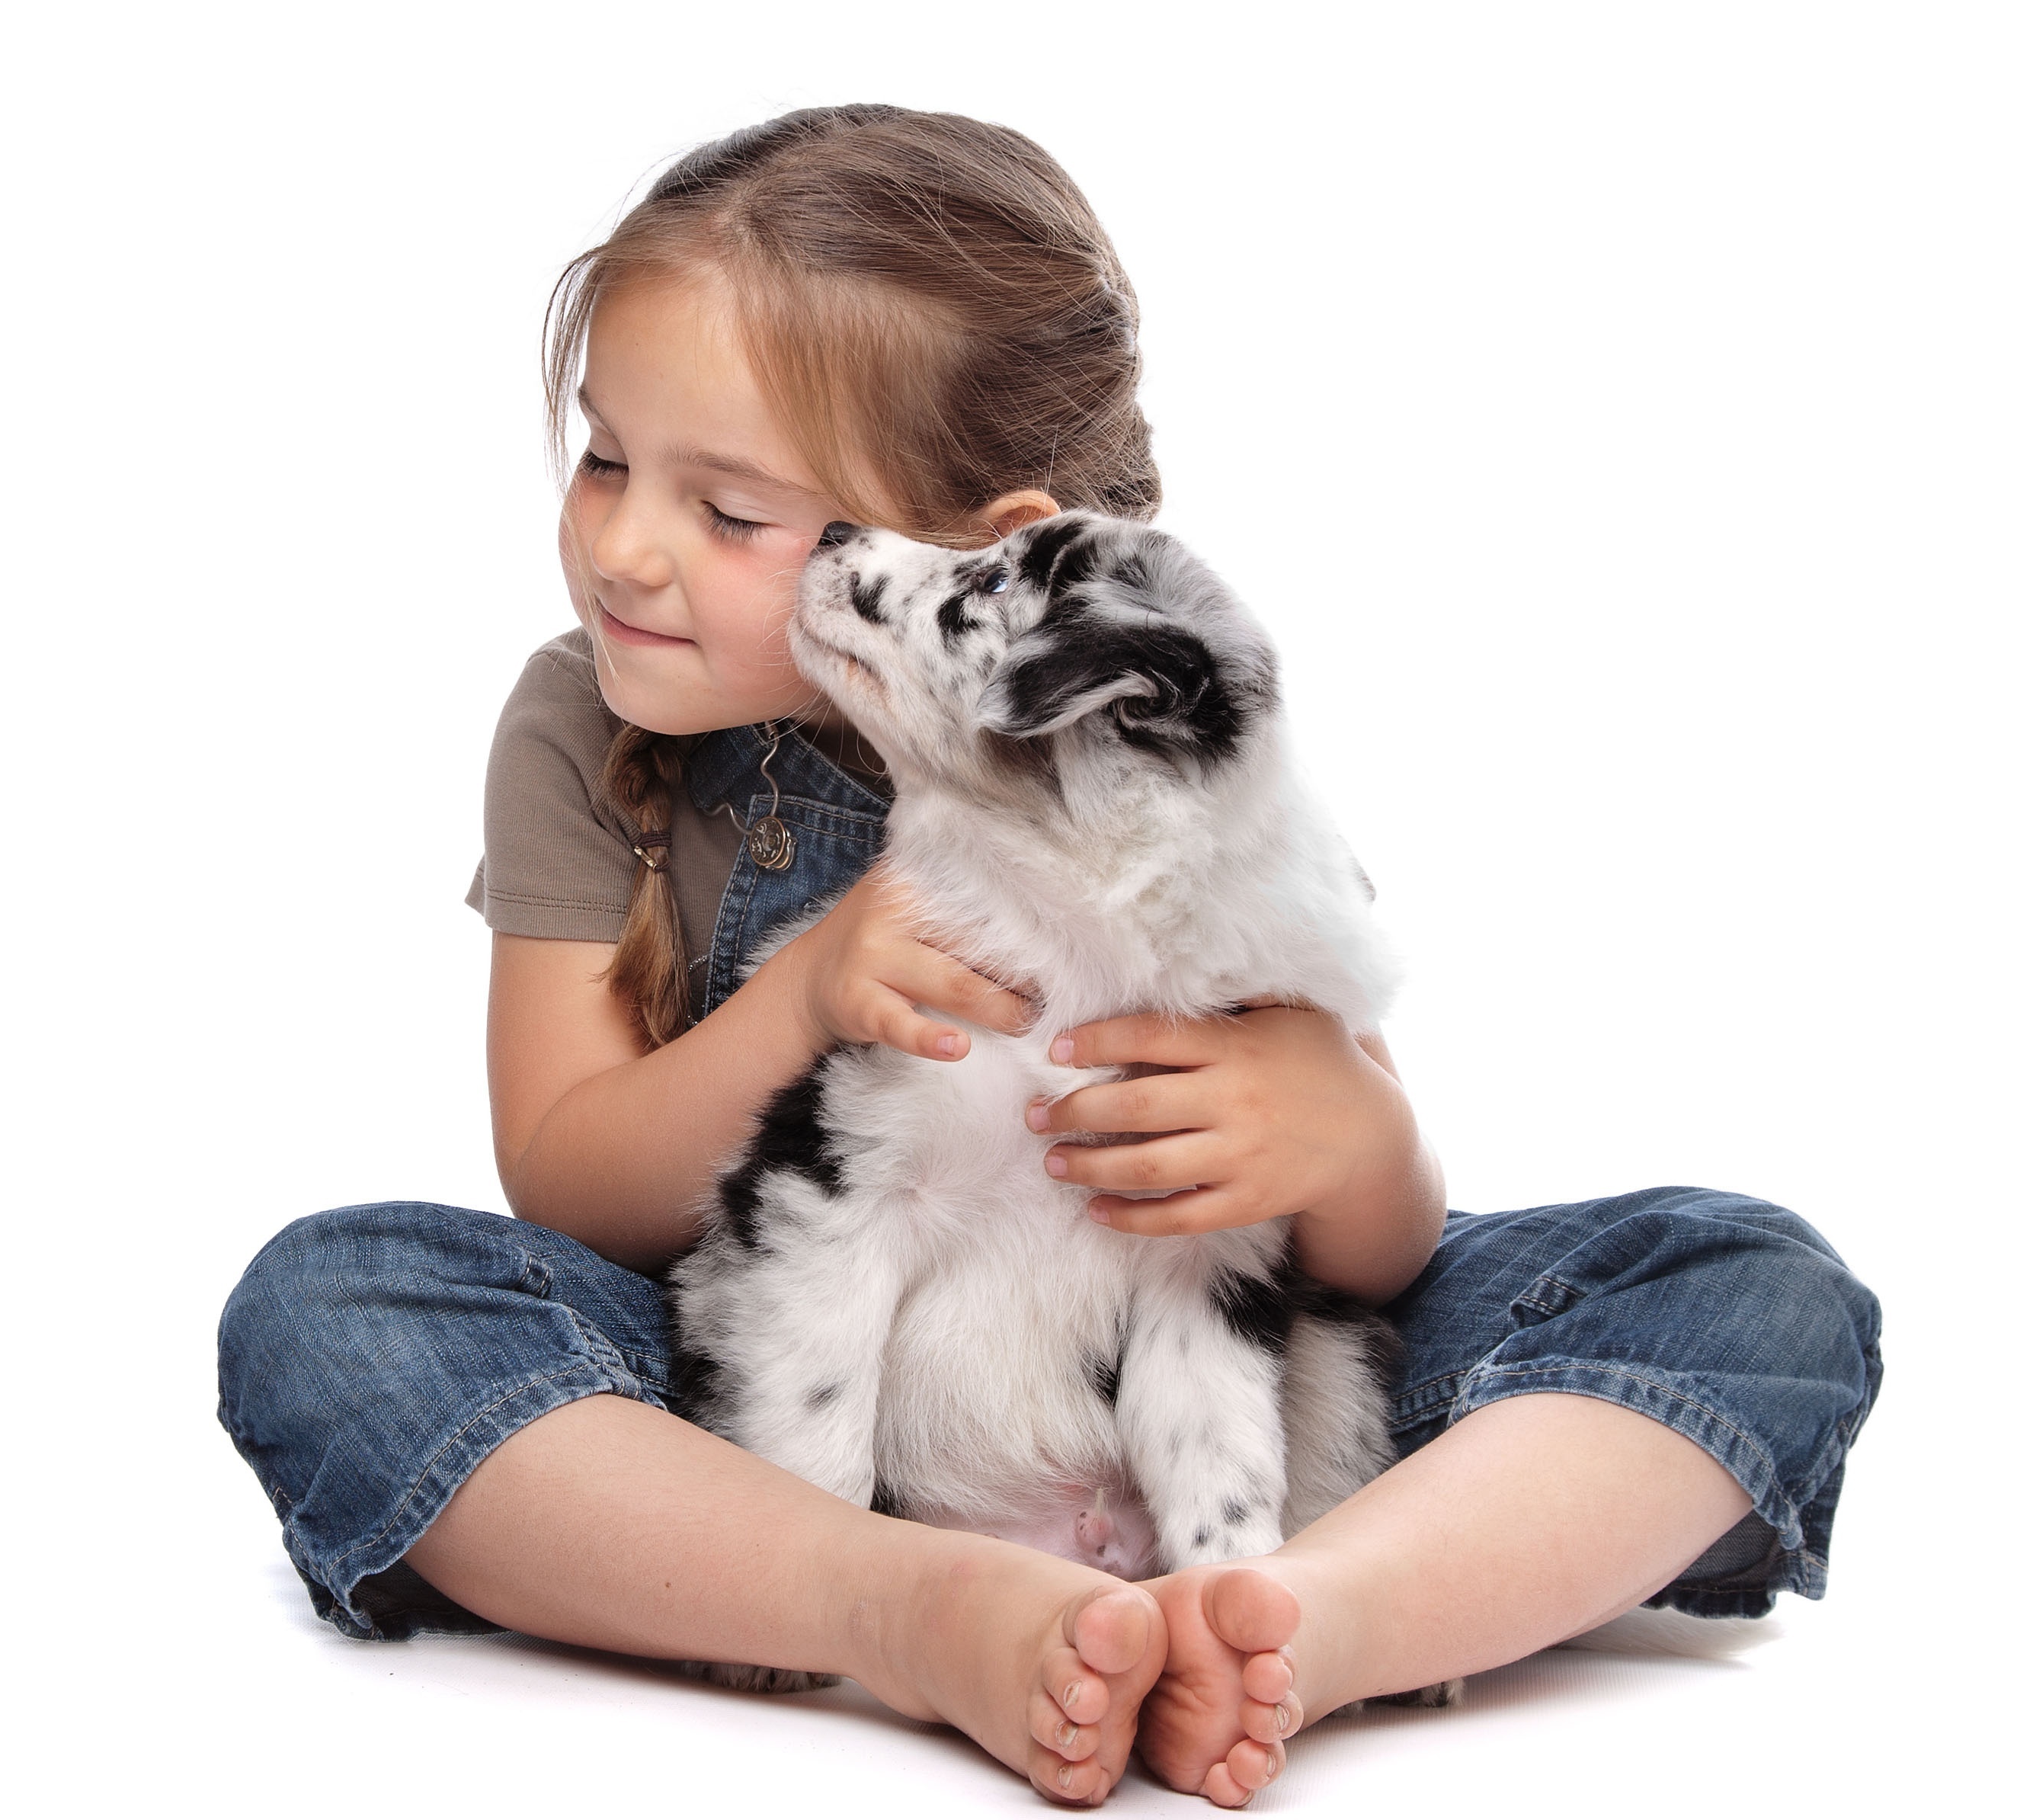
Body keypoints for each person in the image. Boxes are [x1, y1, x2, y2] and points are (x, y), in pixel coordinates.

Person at [217, 105, 1881, 1809]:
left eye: (729, 510)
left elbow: (1375, 1263)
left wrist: (1351, 1140)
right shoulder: (583, 725)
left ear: (998, 552)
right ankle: (887, 1599)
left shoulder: (1157, 737)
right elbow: (572, 1187)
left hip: (1236, 1395)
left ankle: (1301, 1620)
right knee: (341, 1307)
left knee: (1746, 1284)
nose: (625, 549)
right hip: (791, 1402)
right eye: (604, 457)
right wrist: (798, 995)